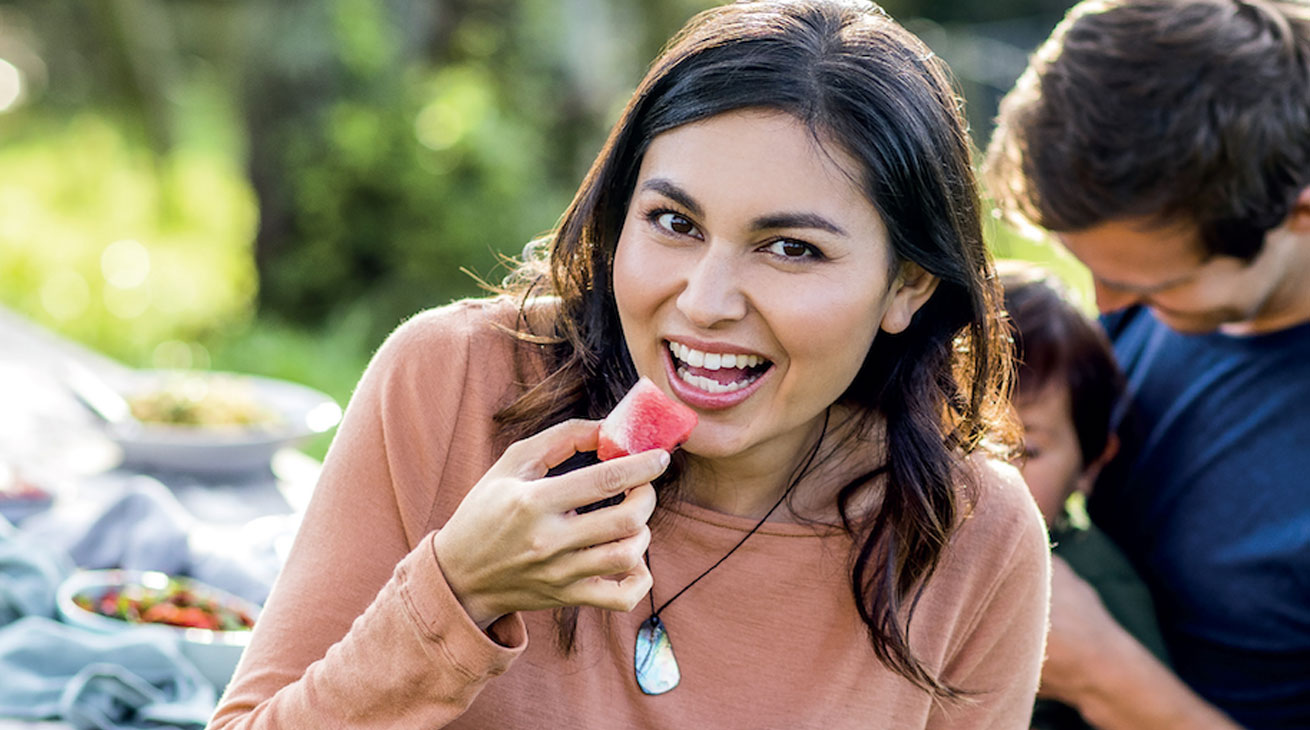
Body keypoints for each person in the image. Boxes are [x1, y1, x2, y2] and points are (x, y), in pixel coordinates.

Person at [208, 1, 1050, 727]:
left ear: (905, 284)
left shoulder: (974, 536)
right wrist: (457, 590)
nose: (706, 300)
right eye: (675, 223)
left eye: (790, 248)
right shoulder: (451, 384)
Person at [984, 0, 1310, 727]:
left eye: (1155, 283)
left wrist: (1101, 674)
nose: (1106, 303)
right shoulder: (1133, 307)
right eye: (1086, 266)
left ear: (1300, 214)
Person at [1000, 262, 1171, 730]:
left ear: (1090, 466)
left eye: (1024, 449)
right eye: (955, 434)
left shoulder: (1097, 590)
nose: (983, 472)